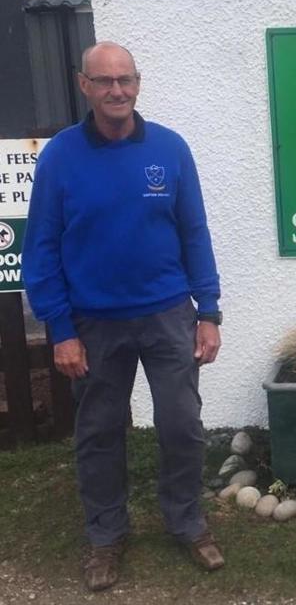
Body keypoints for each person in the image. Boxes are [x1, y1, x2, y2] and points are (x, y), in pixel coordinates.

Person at [22, 41, 224, 592]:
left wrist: (208, 311)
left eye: (125, 80)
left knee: (182, 426)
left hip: (167, 316)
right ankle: (106, 535)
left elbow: (194, 233)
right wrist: (59, 329)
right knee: (99, 433)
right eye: (104, 81)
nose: (117, 91)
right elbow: (40, 250)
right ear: (83, 85)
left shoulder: (170, 149)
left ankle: (186, 522)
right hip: (93, 324)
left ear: (138, 83)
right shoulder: (60, 157)